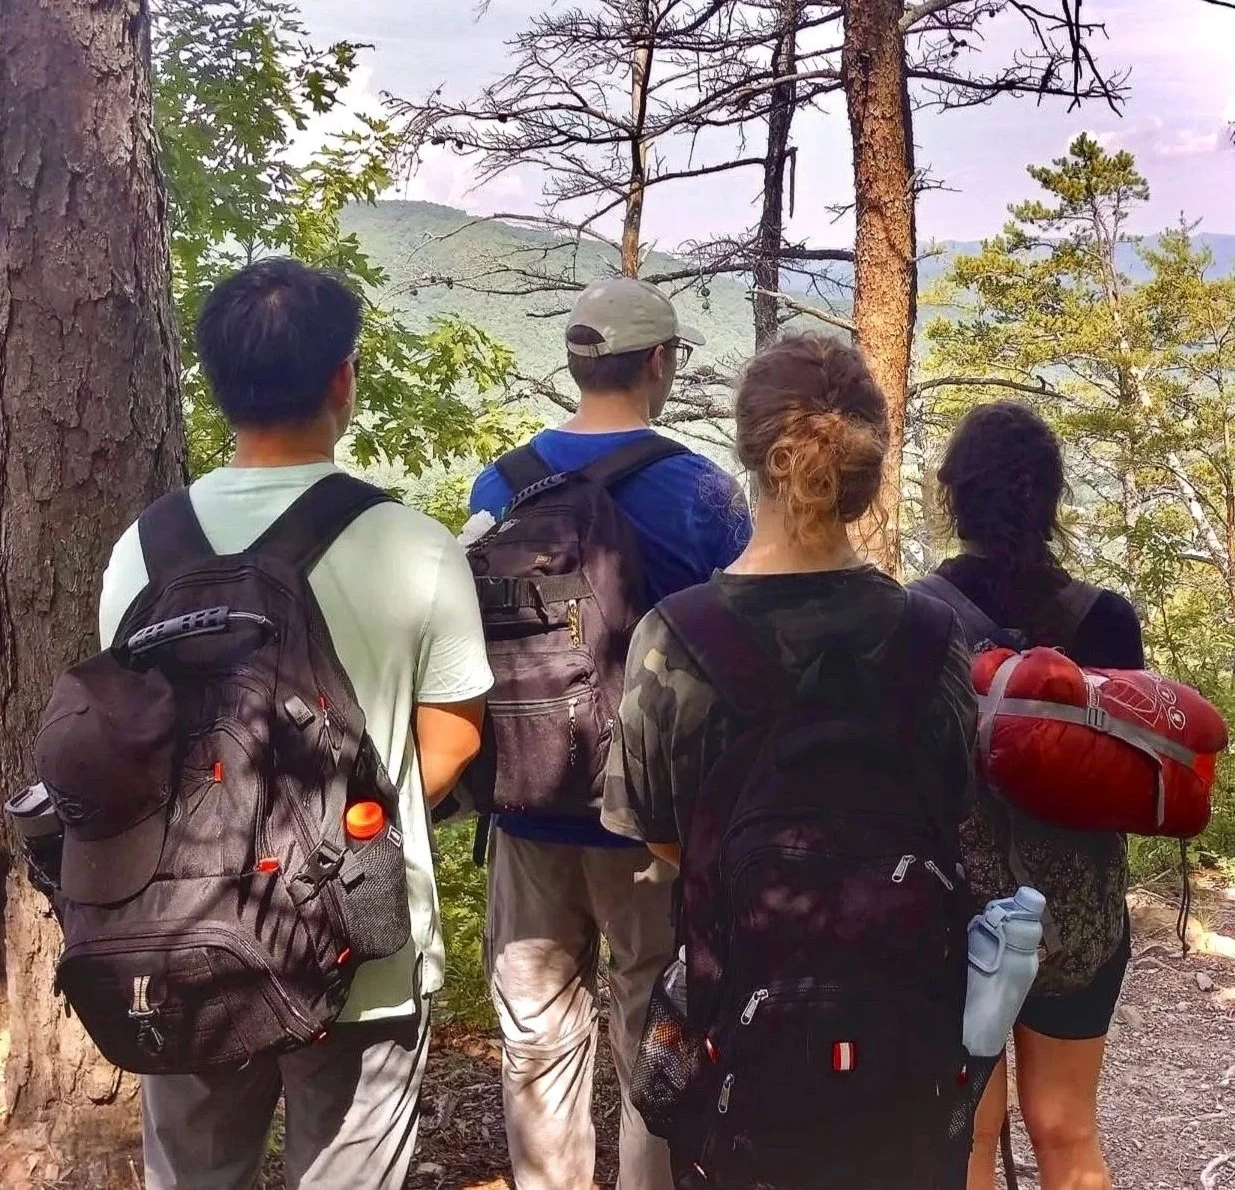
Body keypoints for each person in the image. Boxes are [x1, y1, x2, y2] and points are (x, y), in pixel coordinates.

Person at [99, 258, 493, 1190]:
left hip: (182, 931)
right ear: (341, 378)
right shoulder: (412, 544)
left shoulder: (142, 547)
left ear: (216, 381)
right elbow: (452, 742)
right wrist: (325, 840)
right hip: (359, 940)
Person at [602, 333, 978, 1186]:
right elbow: (951, 806)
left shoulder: (676, 639)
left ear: (747, 452)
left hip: (736, 1036)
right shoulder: (931, 637)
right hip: (905, 1042)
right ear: (868, 473)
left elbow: (664, 839)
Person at [469, 276, 751, 1190]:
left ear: (576, 360)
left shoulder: (501, 483)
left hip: (523, 799)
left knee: (536, 1036)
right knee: (652, 1025)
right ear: (660, 361)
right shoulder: (702, 492)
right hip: (653, 821)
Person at [925, 401, 1143, 1190]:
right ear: (1049, 499)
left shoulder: (916, 617)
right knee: (1065, 1128)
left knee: (970, 1136)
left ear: (953, 493)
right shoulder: (1105, 617)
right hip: (1077, 915)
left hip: (952, 915)